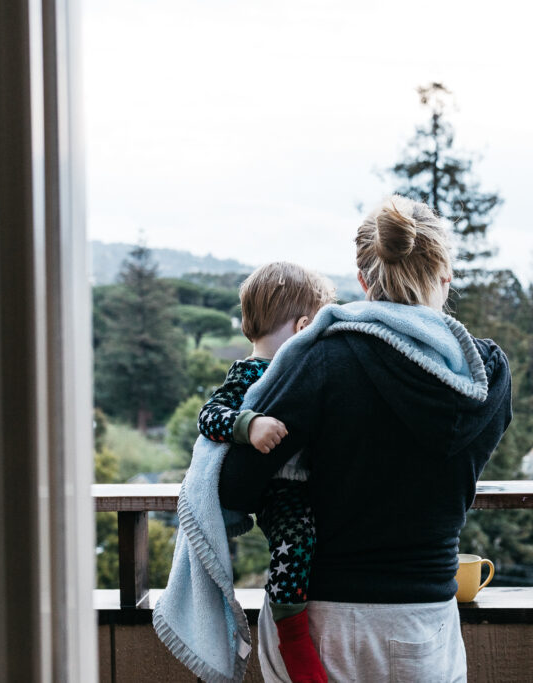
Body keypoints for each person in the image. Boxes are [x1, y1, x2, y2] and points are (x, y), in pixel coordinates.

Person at [218, 195, 513, 682]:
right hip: (426, 620)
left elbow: (235, 485)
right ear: (445, 276)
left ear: (363, 281)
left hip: (317, 620)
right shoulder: (489, 374)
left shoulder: (323, 360)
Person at [198, 261, 335, 683]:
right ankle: (291, 631)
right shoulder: (250, 373)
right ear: (304, 327)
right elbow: (209, 416)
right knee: (296, 540)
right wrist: (248, 425)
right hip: (281, 489)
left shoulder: (304, 371)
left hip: (316, 484)